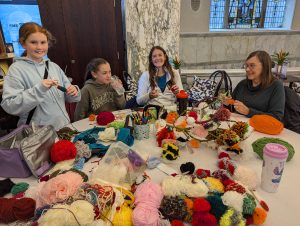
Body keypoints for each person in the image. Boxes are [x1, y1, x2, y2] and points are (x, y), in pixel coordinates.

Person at [1, 22, 81, 130]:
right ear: (23, 44)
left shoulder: (53, 66)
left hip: (64, 128)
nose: (39, 47)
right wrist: (39, 90)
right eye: (33, 42)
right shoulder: (16, 69)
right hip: (38, 135)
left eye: (43, 42)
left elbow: (70, 97)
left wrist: (74, 91)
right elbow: (10, 105)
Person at [228, 50, 285, 121]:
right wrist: (226, 102)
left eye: (252, 65)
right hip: (237, 126)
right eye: (246, 65)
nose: (247, 69)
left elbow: (276, 117)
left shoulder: (276, 86)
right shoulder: (242, 84)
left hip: (260, 130)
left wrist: (248, 112)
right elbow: (232, 106)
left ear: (264, 66)